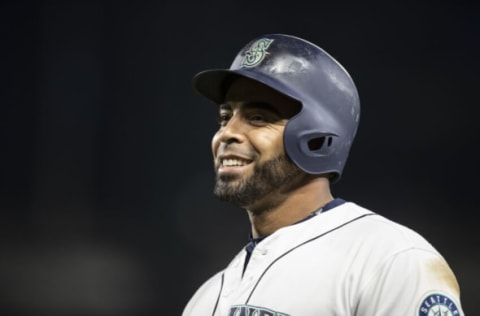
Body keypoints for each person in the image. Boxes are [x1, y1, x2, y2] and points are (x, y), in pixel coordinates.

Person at [182, 34, 464, 316]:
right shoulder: (204, 300)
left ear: (317, 138)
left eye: (258, 117)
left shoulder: (389, 260)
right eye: (224, 117)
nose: (227, 133)